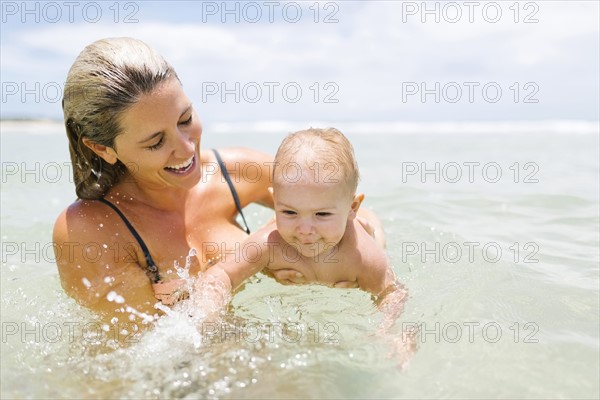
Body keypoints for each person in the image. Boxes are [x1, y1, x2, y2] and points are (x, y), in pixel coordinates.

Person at [52, 37, 293, 333]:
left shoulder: (237, 170)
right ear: (103, 149)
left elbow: (347, 207)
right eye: (156, 142)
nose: (186, 148)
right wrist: (241, 264)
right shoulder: (91, 230)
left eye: (185, 119)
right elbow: (146, 348)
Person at [200, 128, 408, 326]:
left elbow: (393, 293)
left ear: (352, 207)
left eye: (322, 214)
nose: (305, 229)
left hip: (361, 224)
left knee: (375, 237)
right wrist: (208, 310)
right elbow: (222, 274)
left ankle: (367, 228)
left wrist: (389, 333)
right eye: (289, 212)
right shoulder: (269, 244)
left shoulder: (362, 256)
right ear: (275, 202)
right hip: (338, 222)